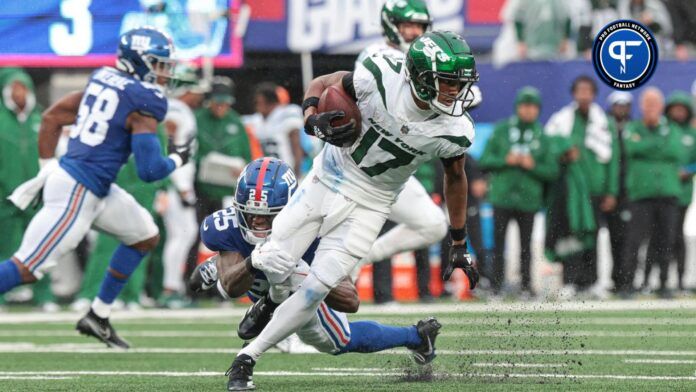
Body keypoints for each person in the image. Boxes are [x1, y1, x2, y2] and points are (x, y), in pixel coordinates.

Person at [224, 31, 480, 390]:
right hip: (326, 178)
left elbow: (456, 178)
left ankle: (246, 359)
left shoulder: (455, 128)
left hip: (371, 204)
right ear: (421, 78)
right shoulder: (381, 73)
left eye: (460, 84)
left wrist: (457, 240)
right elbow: (325, 81)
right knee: (274, 256)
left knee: (317, 288)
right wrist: (312, 115)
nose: (457, 92)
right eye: (449, 83)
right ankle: (269, 300)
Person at [0, 27, 193, 348]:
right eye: (158, 64)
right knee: (27, 268)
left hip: (92, 185)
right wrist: (177, 157)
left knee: (144, 236)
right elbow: (149, 171)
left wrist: (50, 169)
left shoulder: (104, 79)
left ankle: (98, 315)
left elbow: (51, 118)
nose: (165, 72)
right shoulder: (143, 103)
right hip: (78, 189)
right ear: (137, 62)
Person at [190, 158, 440, 362]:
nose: (257, 223)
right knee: (237, 281)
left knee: (338, 341)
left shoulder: (313, 229)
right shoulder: (226, 226)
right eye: (251, 214)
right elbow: (232, 289)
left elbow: (351, 300)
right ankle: (236, 272)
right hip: (259, 276)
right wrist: (251, 262)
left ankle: (416, 336)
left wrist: (310, 278)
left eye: (266, 218)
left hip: (300, 278)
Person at [479, 87, 558, 298]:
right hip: (502, 197)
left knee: (526, 247)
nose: (528, 110)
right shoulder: (502, 130)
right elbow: (485, 160)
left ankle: (526, 285)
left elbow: (552, 170)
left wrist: (533, 165)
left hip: (528, 199)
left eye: (533, 106)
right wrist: (505, 160)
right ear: (517, 107)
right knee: (497, 245)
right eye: (525, 105)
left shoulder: (542, 135)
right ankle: (495, 286)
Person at [544, 75, 618, 299]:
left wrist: (611, 191)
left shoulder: (605, 123)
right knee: (570, 236)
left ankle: (592, 281)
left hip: (595, 190)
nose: (584, 94)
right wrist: (564, 151)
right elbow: (549, 142)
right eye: (580, 90)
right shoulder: (562, 119)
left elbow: (613, 161)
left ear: (594, 94)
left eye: (588, 90)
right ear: (574, 94)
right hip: (571, 191)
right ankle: (570, 281)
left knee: (592, 236)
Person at [0, 68, 58, 310]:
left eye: (22, 87)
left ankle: (44, 296)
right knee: (4, 247)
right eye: (14, 88)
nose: (19, 93)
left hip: (36, 196)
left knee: (41, 246)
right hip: (5, 196)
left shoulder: (41, 118)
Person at [617, 88, 683, 298]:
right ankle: (627, 284)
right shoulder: (632, 128)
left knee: (666, 239)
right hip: (641, 193)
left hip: (667, 192)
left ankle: (663, 284)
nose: (652, 108)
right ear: (641, 106)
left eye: (655, 103)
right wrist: (657, 147)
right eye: (648, 103)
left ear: (661, 107)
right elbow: (631, 148)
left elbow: (675, 151)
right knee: (634, 240)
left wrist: (647, 147)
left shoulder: (672, 129)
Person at [159, 64, 207, 307]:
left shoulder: (176, 107)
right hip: (175, 182)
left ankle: (172, 287)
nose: (199, 95)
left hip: (175, 182)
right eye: (195, 90)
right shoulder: (175, 108)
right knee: (181, 234)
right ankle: (169, 289)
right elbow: (167, 147)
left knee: (182, 234)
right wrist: (180, 186)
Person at [644, 91, 695, 294]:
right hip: (661, 191)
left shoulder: (692, 134)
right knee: (657, 236)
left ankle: (681, 280)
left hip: (682, 193)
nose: (678, 113)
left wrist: (689, 170)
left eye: (682, 109)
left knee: (676, 237)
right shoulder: (663, 129)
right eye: (675, 109)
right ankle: (649, 280)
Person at [194, 76, 254, 217]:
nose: (222, 106)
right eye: (218, 101)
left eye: (226, 102)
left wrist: (243, 170)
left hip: (228, 190)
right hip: (202, 189)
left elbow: (246, 154)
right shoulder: (197, 119)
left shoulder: (236, 121)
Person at [604, 91, 633, 291]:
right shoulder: (604, 130)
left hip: (631, 192)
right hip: (611, 191)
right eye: (617, 105)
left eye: (624, 106)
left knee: (629, 238)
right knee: (614, 237)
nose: (621, 109)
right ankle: (615, 279)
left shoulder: (634, 129)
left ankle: (627, 280)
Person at [244, 82, 305, 175]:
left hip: (285, 171)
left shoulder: (287, 113)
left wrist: (297, 172)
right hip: (265, 173)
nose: (256, 106)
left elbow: (296, 145)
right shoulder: (257, 119)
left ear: (269, 102)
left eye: (258, 102)